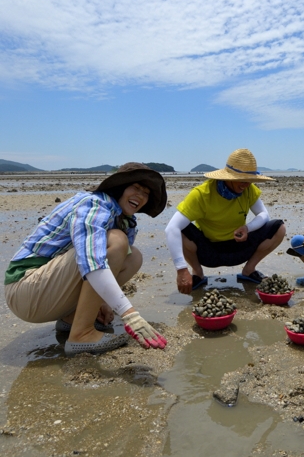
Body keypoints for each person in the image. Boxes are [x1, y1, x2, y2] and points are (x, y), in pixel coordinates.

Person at [4, 163, 168, 356]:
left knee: (134, 256)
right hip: (25, 287)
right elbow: (91, 259)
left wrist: (103, 303)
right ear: (120, 187)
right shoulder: (94, 204)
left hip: (49, 289)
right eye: (136, 188)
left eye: (146, 193)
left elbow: (108, 264)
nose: (140, 196)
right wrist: (129, 314)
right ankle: (81, 334)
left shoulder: (125, 221)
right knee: (115, 241)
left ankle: (73, 319)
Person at [165, 148, 286, 294]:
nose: (245, 185)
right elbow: (171, 228)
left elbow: (263, 214)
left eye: (249, 180)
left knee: (279, 227)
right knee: (182, 228)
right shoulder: (202, 194)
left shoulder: (249, 189)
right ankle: (197, 273)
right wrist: (181, 269)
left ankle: (248, 271)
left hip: (239, 248)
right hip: (208, 252)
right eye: (240, 180)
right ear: (227, 176)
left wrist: (247, 228)